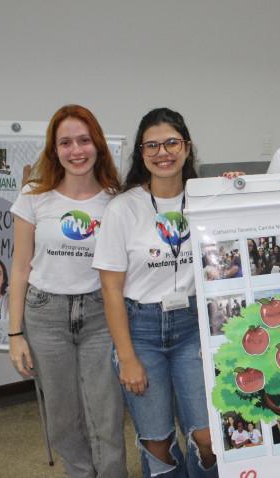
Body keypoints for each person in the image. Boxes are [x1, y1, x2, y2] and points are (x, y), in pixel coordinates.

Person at [93, 107, 217, 478]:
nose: (163, 153)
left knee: (209, 436)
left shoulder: (207, 199)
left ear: (187, 147)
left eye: (171, 143)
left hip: (193, 327)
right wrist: (127, 357)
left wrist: (233, 188)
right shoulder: (122, 208)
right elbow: (111, 289)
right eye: (152, 146)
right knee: (157, 442)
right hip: (141, 330)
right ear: (141, 154)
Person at [7, 104, 127, 477]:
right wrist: (15, 334)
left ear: (98, 145)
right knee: (62, 417)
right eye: (65, 142)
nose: (76, 150)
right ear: (54, 149)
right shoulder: (33, 195)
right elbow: (20, 267)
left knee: (105, 415)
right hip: (45, 315)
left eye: (84, 140)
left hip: (99, 314)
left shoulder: (116, 199)